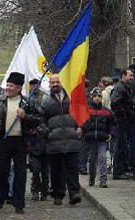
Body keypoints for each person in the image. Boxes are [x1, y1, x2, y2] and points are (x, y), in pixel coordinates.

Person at [0, 72, 40, 214]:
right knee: (1, 172)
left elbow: (37, 121)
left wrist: (25, 116)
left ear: (19, 88)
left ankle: (19, 203)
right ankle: (2, 197)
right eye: (7, 85)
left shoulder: (28, 102)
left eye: (11, 86)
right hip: (3, 141)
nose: (7, 88)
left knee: (20, 173)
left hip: (20, 142)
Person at [40, 74, 82, 206]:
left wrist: (81, 127)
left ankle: (74, 193)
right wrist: (47, 133)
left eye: (57, 82)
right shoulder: (45, 101)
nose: (55, 84)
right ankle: (58, 194)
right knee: (56, 170)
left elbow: (82, 113)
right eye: (52, 82)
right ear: (49, 84)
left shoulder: (72, 98)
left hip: (71, 139)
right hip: (54, 141)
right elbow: (41, 120)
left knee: (72, 169)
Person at [82, 87, 114, 188]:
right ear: (92, 97)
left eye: (99, 96)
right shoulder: (87, 110)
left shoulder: (106, 111)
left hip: (102, 138)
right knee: (92, 161)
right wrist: (84, 131)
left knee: (102, 158)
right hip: (91, 138)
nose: (97, 98)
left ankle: (103, 180)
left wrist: (111, 134)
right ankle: (92, 179)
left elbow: (112, 124)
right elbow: (82, 122)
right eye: (95, 96)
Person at [110, 68, 135, 180]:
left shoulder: (124, 87)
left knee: (122, 145)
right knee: (120, 146)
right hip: (121, 121)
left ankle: (120, 170)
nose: (132, 77)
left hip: (123, 120)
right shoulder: (120, 88)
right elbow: (115, 103)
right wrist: (124, 115)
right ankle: (118, 171)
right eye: (130, 75)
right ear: (123, 76)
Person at [26, 79, 49, 202]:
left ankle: (44, 192)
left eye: (36, 85)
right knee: (35, 170)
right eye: (32, 85)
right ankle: (35, 190)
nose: (34, 87)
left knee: (45, 171)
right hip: (32, 142)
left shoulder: (45, 100)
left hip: (45, 140)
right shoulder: (26, 101)